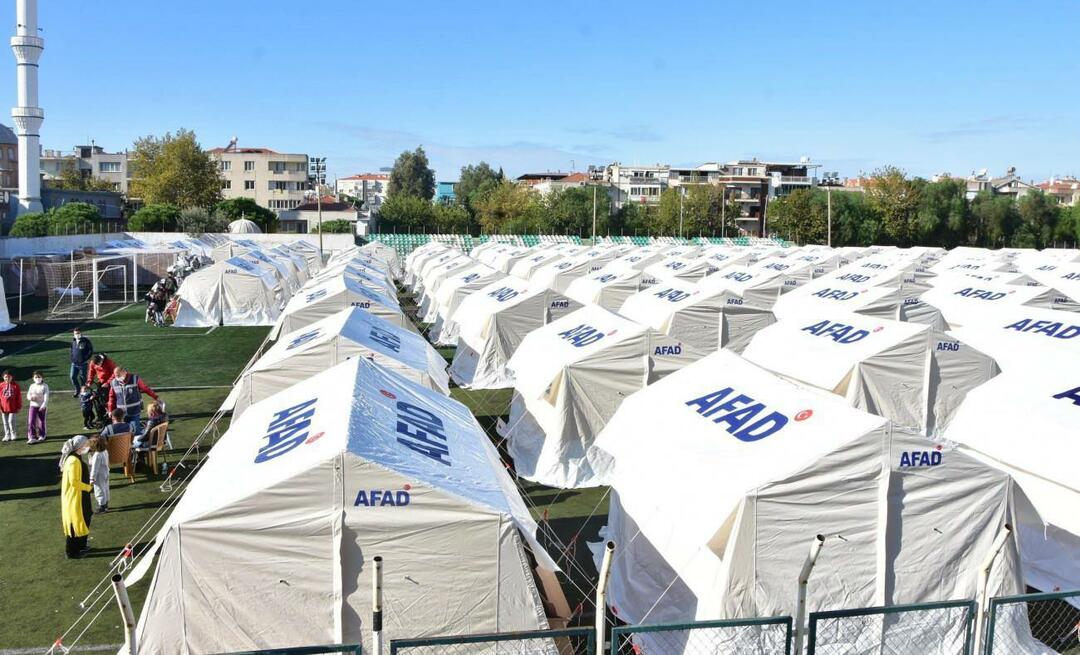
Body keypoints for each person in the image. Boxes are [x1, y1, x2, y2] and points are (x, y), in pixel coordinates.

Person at [59, 435, 93, 558]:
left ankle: (81, 545)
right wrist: (88, 487)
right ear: (80, 447)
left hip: (80, 496)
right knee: (74, 524)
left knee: (85, 518)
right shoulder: (73, 461)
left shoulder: (75, 458)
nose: (88, 446)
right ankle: (71, 552)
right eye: (86, 445)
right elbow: (74, 482)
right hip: (75, 498)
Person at [107, 367, 159, 436]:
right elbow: (111, 397)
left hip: (134, 411)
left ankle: (136, 445)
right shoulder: (113, 383)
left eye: (118, 375)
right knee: (122, 433)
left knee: (135, 432)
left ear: (124, 372)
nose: (117, 377)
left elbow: (145, 388)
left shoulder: (135, 379)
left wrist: (155, 397)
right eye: (115, 376)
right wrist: (110, 410)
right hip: (121, 414)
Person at [87, 353, 116, 426]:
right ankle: (100, 416)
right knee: (98, 399)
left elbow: (114, 374)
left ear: (102, 360)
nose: (99, 366)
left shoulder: (109, 362)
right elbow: (91, 371)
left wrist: (108, 383)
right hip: (101, 383)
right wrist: (89, 381)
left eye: (100, 364)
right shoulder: (93, 362)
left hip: (111, 383)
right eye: (97, 365)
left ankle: (113, 414)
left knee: (109, 399)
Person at [87, 437, 110, 514]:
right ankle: (105, 503)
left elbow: (94, 468)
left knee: (99, 490)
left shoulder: (97, 455)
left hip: (99, 475)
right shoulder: (105, 451)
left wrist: (92, 478)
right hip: (105, 473)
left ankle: (102, 507)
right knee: (105, 488)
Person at [69, 328, 94, 397]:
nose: (77, 335)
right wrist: (72, 358)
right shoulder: (73, 341)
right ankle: (77, 389)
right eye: (75, 333)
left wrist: (85, 359)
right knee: (72, 377)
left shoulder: (86, 341)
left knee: (83, 378)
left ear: (81, 333)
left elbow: (90, 351)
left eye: (78, 333)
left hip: (83, 364)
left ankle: (83, 392)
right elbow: (71, 350)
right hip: (74, 363)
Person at [26, 371, 49, 444]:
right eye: (36, 377)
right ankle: (32, 437)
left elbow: (46, 397)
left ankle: (42, 435)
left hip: (41, 406)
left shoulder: (45, 386)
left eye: (39, 377)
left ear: (42, 377)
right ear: (33, 378)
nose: (37, 378)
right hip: (33, 406)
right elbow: (28, 395)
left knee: (41, 421)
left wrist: (43, 405)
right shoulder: (32, 386)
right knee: (31, 421)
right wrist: (31, 398)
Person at [0, 370, 21, 442]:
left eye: (9, 377)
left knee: (11, 421)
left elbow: (18, 396)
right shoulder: (1, 385)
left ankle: (13, 434)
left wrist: (18, 406)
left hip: (13, 407)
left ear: (12, 377)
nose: (7, 378)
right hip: (3, 407)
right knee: (5, 422)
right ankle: (7, 435)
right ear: (3, 377)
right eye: (5, 377)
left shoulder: (15, 385)